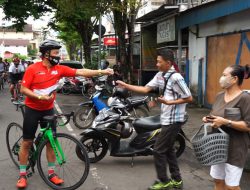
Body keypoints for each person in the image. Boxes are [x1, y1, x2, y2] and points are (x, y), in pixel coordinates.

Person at [16, 39, 114, 188]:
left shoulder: (59, 69)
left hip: (48, 109)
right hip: (32, 109)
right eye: (55, 53)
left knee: (51, 141)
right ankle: (22, 175)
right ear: (46, 54)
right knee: (27, 142)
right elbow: (24, 90)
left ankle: (51, 173)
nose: (58, 56)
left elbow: (81, 71)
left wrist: (102, 71)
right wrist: (39, 97)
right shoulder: (33, 69)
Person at [116, 49, 192, 190]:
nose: (156, 64)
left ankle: (164, 181)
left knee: (158, 150)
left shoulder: (176, 78)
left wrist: (169, 103)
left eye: (159, 61)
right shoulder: (160, 75)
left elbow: (189, 97)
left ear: (168, 63)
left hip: (174, 120)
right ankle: (177, 180)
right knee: (168, 149)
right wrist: (126, 85)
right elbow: (145, 89)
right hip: (166, 118)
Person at [202, 65, 250, 190]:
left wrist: (226, 122)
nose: (221, 78)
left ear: (234, 79)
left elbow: (247, 126)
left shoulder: (245, 98)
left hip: (235, 148)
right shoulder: (219, 96)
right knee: (218, 181)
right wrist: (208, 118)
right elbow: (215, 114)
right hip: (217, 147)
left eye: (224, 75)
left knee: (231, 187)